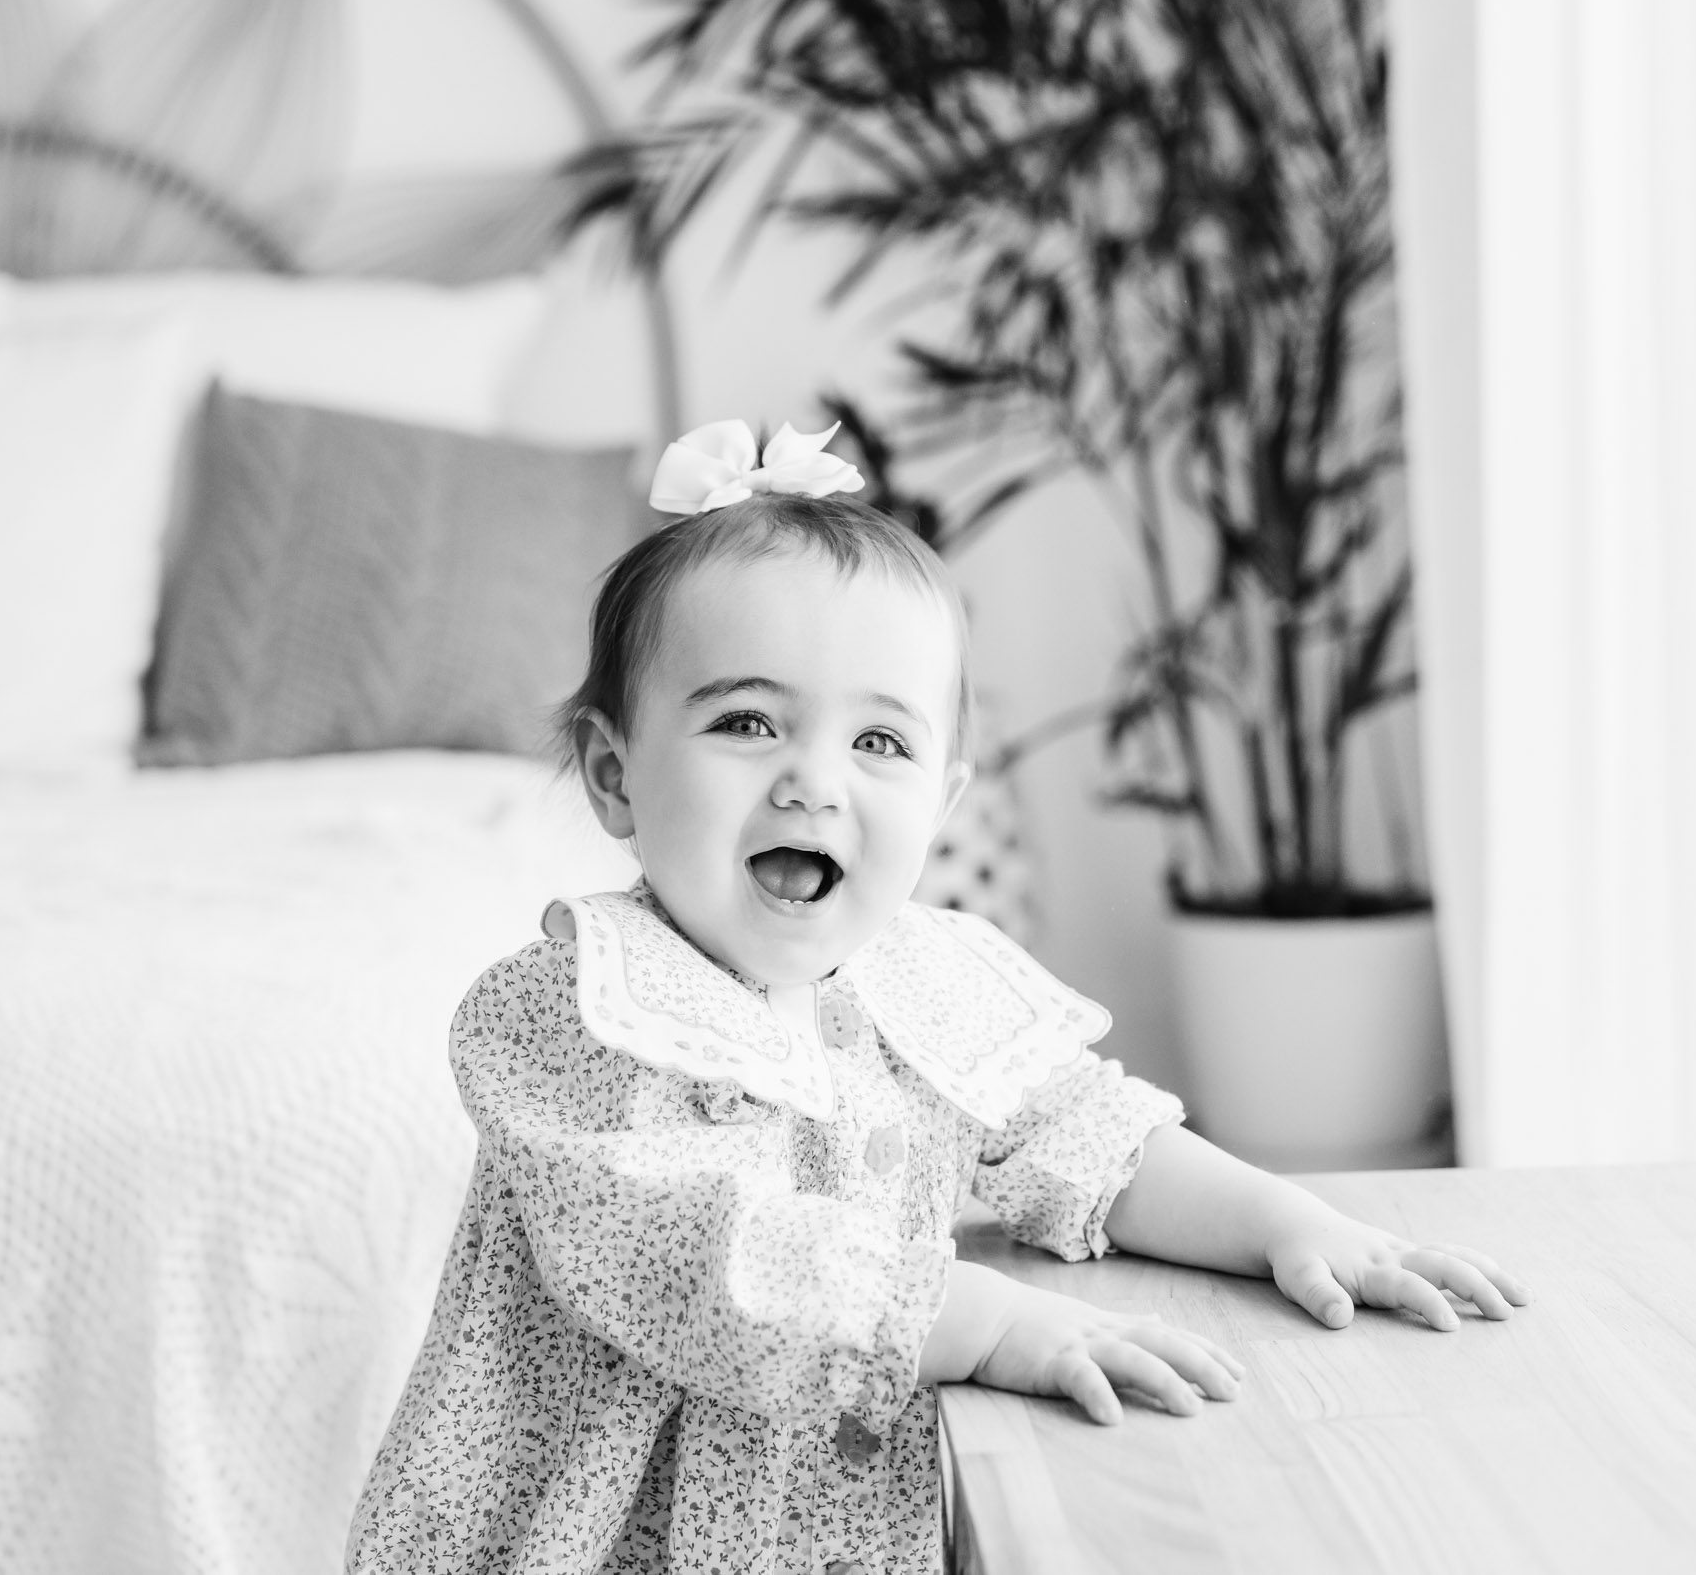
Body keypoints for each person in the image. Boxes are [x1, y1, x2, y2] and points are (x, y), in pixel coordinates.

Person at [345, 420, 1530, 1574]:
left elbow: (1088, 1135)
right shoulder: (577, 1012)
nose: (813, 779)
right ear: (616, 773)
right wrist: (996, 1320)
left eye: (879, 743)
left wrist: (1290, 1225)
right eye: (747, 721)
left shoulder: (924, 982)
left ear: (942, 800)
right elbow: (708, 1261)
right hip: (609, 1537)